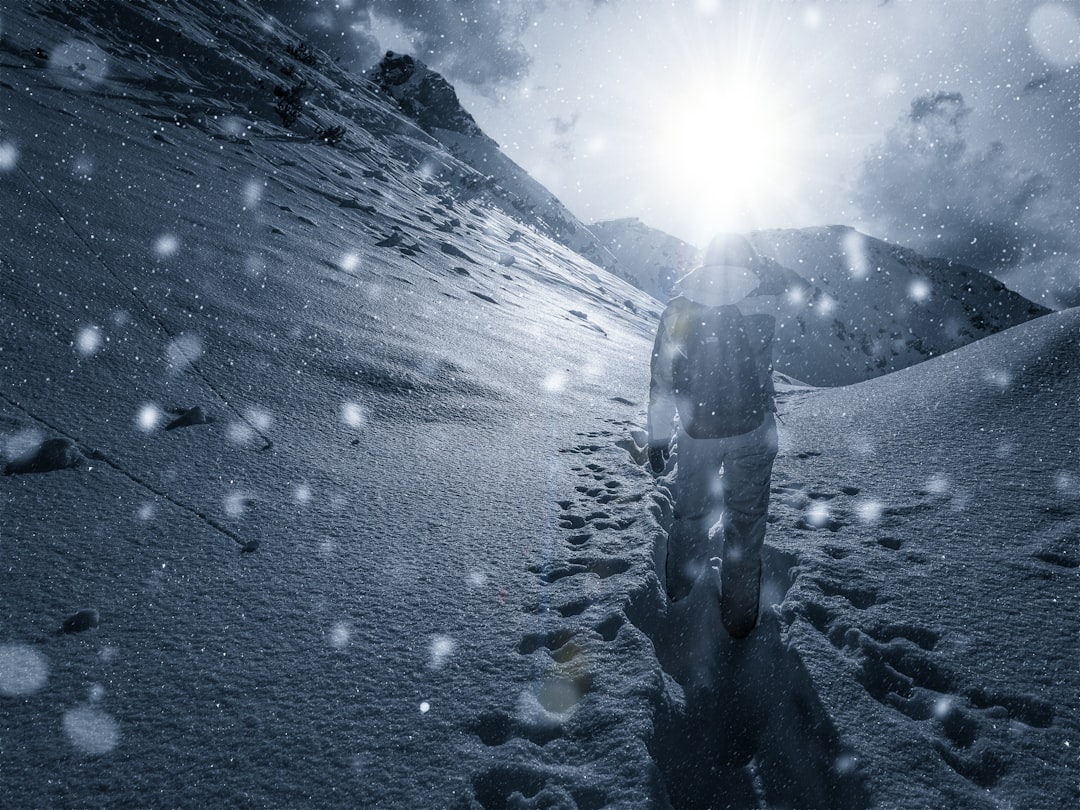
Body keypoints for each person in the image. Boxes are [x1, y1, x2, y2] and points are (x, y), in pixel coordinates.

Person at [647, 233, 778, 638]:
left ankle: (681, 601)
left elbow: (662, 380)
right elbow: (763, 372)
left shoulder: (677, 309)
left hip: (697, 430)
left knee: (691, 515)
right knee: (746, 524)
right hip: (754, 429)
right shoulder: (762, 304)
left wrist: (656, 437)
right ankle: (739, 620)